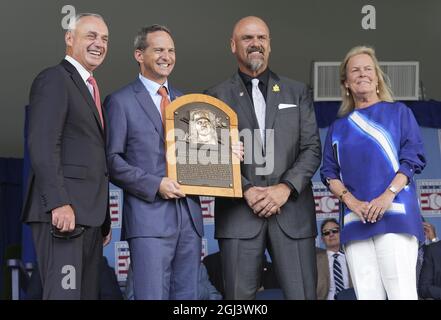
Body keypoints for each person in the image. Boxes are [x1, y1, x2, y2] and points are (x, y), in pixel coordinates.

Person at [205, 16, 321, 299]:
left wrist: (284, 189)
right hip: (238, 216)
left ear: (269, 45)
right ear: (233, 45)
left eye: (261, 38)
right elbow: (210, 155)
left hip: (291, 213)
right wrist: (246, 190)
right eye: (247, 38)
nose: (255, 43)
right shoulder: (214, 97)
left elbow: (312, 148)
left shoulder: (297, 92)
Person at [104, 25, 203, 300]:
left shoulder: (187, 102)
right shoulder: (120, 101)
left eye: (171, 50)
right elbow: (111, 160)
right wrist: (155, 184)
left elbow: (202, 155)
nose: (167, 56)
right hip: (149, 220)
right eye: (158, 49)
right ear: (139, 54)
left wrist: (227, 154)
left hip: (190, 219)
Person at [320, 45, 426, 300]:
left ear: (377, 77)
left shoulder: (399, 112)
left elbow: (413, 157)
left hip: (396, 215)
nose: (362, 73)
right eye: (355, 70)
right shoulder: (338, 127)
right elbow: (328, 172)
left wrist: (387, 196)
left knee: (402, 294)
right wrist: (352, 202)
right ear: (346, 82)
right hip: (356, 221)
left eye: (368, 68)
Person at [21, 13, 111, 300]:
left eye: (105, 38)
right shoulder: (55, 79)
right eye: (91, 36)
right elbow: (42, 144)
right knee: (64, 295)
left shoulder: (90, 88)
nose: (99, 43)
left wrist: (104, 219)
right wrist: (59, 202)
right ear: (69, 39)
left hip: (89, 220)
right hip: (63, 217)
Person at [316, 218, 353, 300]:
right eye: (326, 232)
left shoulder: (352, 256)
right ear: (322, 239)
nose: (331, 234)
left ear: (341, 233)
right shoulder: (315, 261)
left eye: (335, 231)